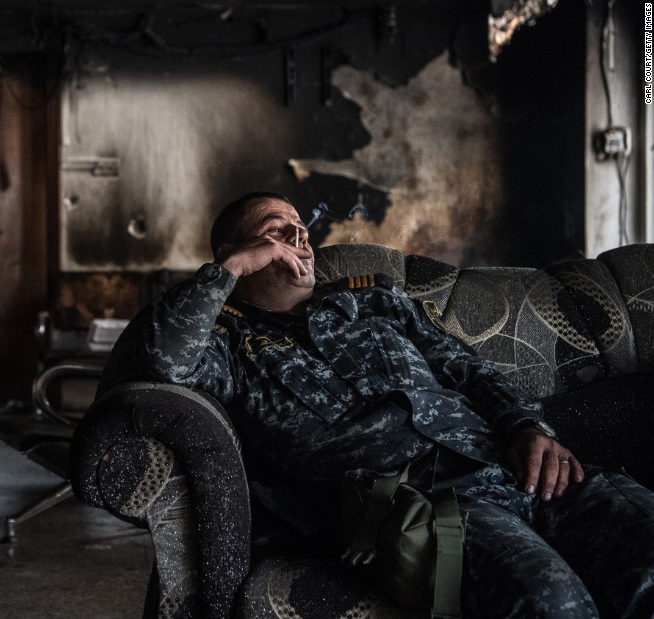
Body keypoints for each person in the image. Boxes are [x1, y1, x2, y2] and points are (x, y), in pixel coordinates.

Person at [103, 191, 654, 618]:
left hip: (515, 465)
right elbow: (162, 365)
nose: (298, 234)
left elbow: (466, 367)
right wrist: (227, 273)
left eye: (301, 226)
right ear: (237, 252)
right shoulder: (226, 342)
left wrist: (528, 426)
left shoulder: (374, 301)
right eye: (276, 229)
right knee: (551, 605)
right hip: (431, 505)